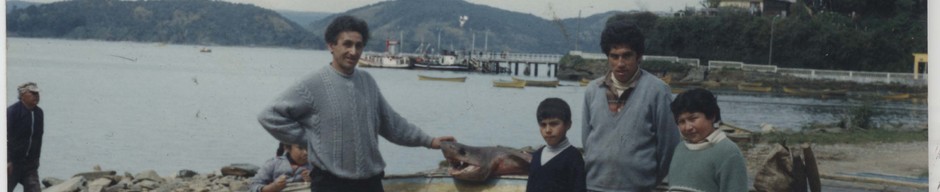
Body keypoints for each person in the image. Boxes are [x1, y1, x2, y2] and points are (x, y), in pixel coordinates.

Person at [257, 15, 455, 192]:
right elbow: (270, 116)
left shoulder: (367, 81)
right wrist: (309, 139)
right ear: (331, 46)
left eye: (358, 45)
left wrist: (430, 141)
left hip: (371, 183)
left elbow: (392, 124)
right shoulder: (313, 84)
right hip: (330, 184)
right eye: (347, 44)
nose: (353, 51)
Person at [581, 16, 680, 191]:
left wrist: (647, 180)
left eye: (627, 56)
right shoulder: (592, 90)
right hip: (594, 186)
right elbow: (587, 139)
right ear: (608, 57)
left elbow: (669, 145)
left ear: (639, 56)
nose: (620, 63)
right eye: (614, 56)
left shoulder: (657, 90)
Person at [667, 88, 748, 192]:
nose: (688, 127)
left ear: (712, 116)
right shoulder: (680, 148)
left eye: (693, 119)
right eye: (682, 122)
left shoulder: (728, 152)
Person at [526, 98, 586, 192]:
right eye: (543, 125)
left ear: (568, 125)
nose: (548, 130)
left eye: (554, 124)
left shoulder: (573, 158)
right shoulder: (537, 156)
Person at [8, 82, 44, 192]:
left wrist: (37, 158)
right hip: (12, 163)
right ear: (22, 95)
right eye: (33, 93)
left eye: (37, 94)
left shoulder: (39, 113)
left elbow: (38, 137)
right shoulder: (12, 112)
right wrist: (7, 160)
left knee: (34, 189)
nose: (36, 96)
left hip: (30, 164)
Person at [250, 143, 314, 192]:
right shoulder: (274, 163)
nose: (306, 152)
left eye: (308, 148)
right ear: (287, 148)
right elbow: (254, 185)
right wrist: (273, 187)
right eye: (300, 148)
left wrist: (313, 178)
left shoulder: (315, 166)